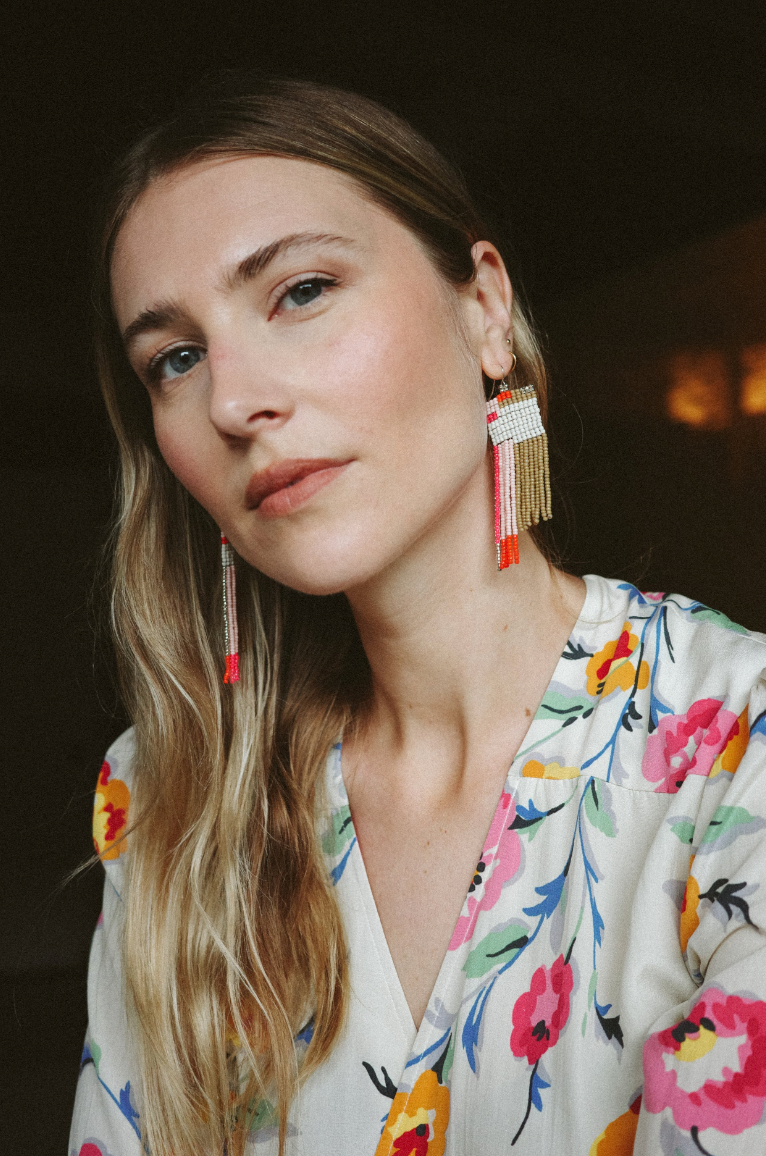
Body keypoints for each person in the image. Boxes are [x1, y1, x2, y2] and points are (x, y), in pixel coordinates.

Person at [70, 77, 766, 1156]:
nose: (233, 401)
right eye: (175, 357)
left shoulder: (737, 744)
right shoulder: (169, 793)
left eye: (300, 291)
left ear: (482, 307)